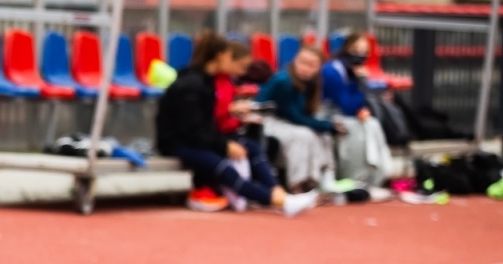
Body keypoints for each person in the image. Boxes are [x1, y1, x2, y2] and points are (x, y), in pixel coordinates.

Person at [156, 31, 316, 217]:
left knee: (251, 147)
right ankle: (280, 201)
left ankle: (280, 194)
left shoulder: (205, 81)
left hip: (195, 139)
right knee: (224, 167)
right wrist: (224, 145)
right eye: (227, 54)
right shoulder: (191, 84)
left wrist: (226, 137)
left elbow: (204, 125)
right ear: (220, 56)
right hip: (177, 143)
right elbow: (192, 131)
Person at [260, 45, 340, 192]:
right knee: (303, 135)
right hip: (266, 120)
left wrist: (328, 127)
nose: (305, 68)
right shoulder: (283, 80)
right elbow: (295, 117)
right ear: (295, 60)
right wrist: (328, 125)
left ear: (318, 68)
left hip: (287, 122)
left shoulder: (311, 83)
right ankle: (297, 184)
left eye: (311, 65)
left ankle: (325, 179)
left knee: (323, 135)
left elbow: (305, 116)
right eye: (302, 62)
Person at [322, 32, 391, 187]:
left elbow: (358, 104)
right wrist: (362, 80)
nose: (360, 56)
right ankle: (353, 177)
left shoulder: (352, 71)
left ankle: (377, 175)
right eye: (355, 50)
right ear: (346, 48)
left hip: (347, 116)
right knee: (358, 128)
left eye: (364, 52)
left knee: (372, 124)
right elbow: (347, 105)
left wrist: (362, 110)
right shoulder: (332, 70)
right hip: (327, 115)